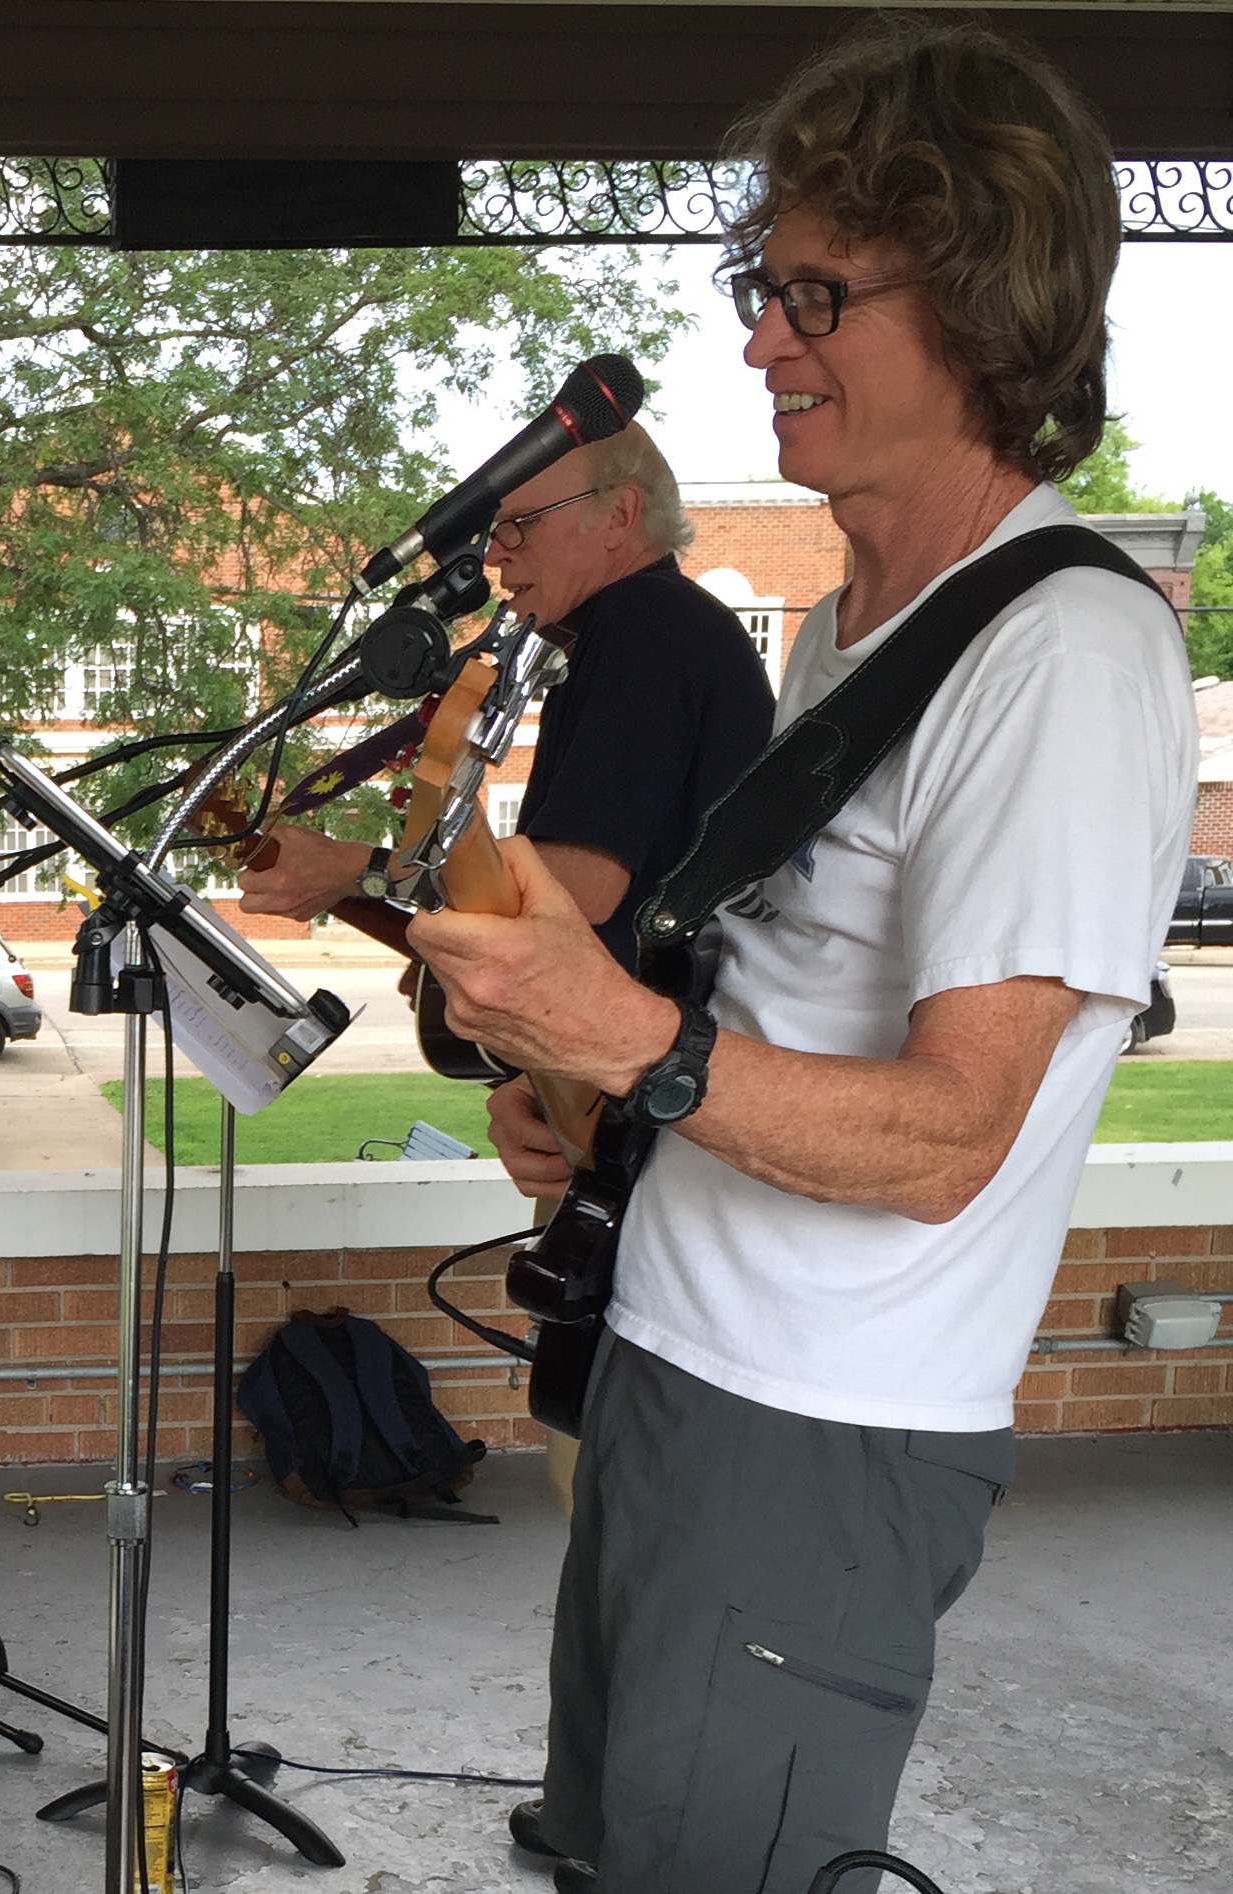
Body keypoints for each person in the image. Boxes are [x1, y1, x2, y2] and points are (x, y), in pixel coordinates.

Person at [401, 23, 1197, 1893]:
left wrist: (632, 1041)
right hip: (681, 1353)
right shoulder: (851, 625)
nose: (759, 338)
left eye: (812, 293)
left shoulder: (1061, 650)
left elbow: (946, 1136)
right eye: (762, 289)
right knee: (608, 1845)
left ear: (987, 297)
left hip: (819, 1423)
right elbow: (779, 1004)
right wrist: (602, 1094)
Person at [237, 421, 775, 975]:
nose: (495, 555)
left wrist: (359, 869)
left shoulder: (644, 622)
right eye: (496, 530)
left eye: (521, 525)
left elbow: (578, 888)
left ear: (619, 515)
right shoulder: (636, 627)